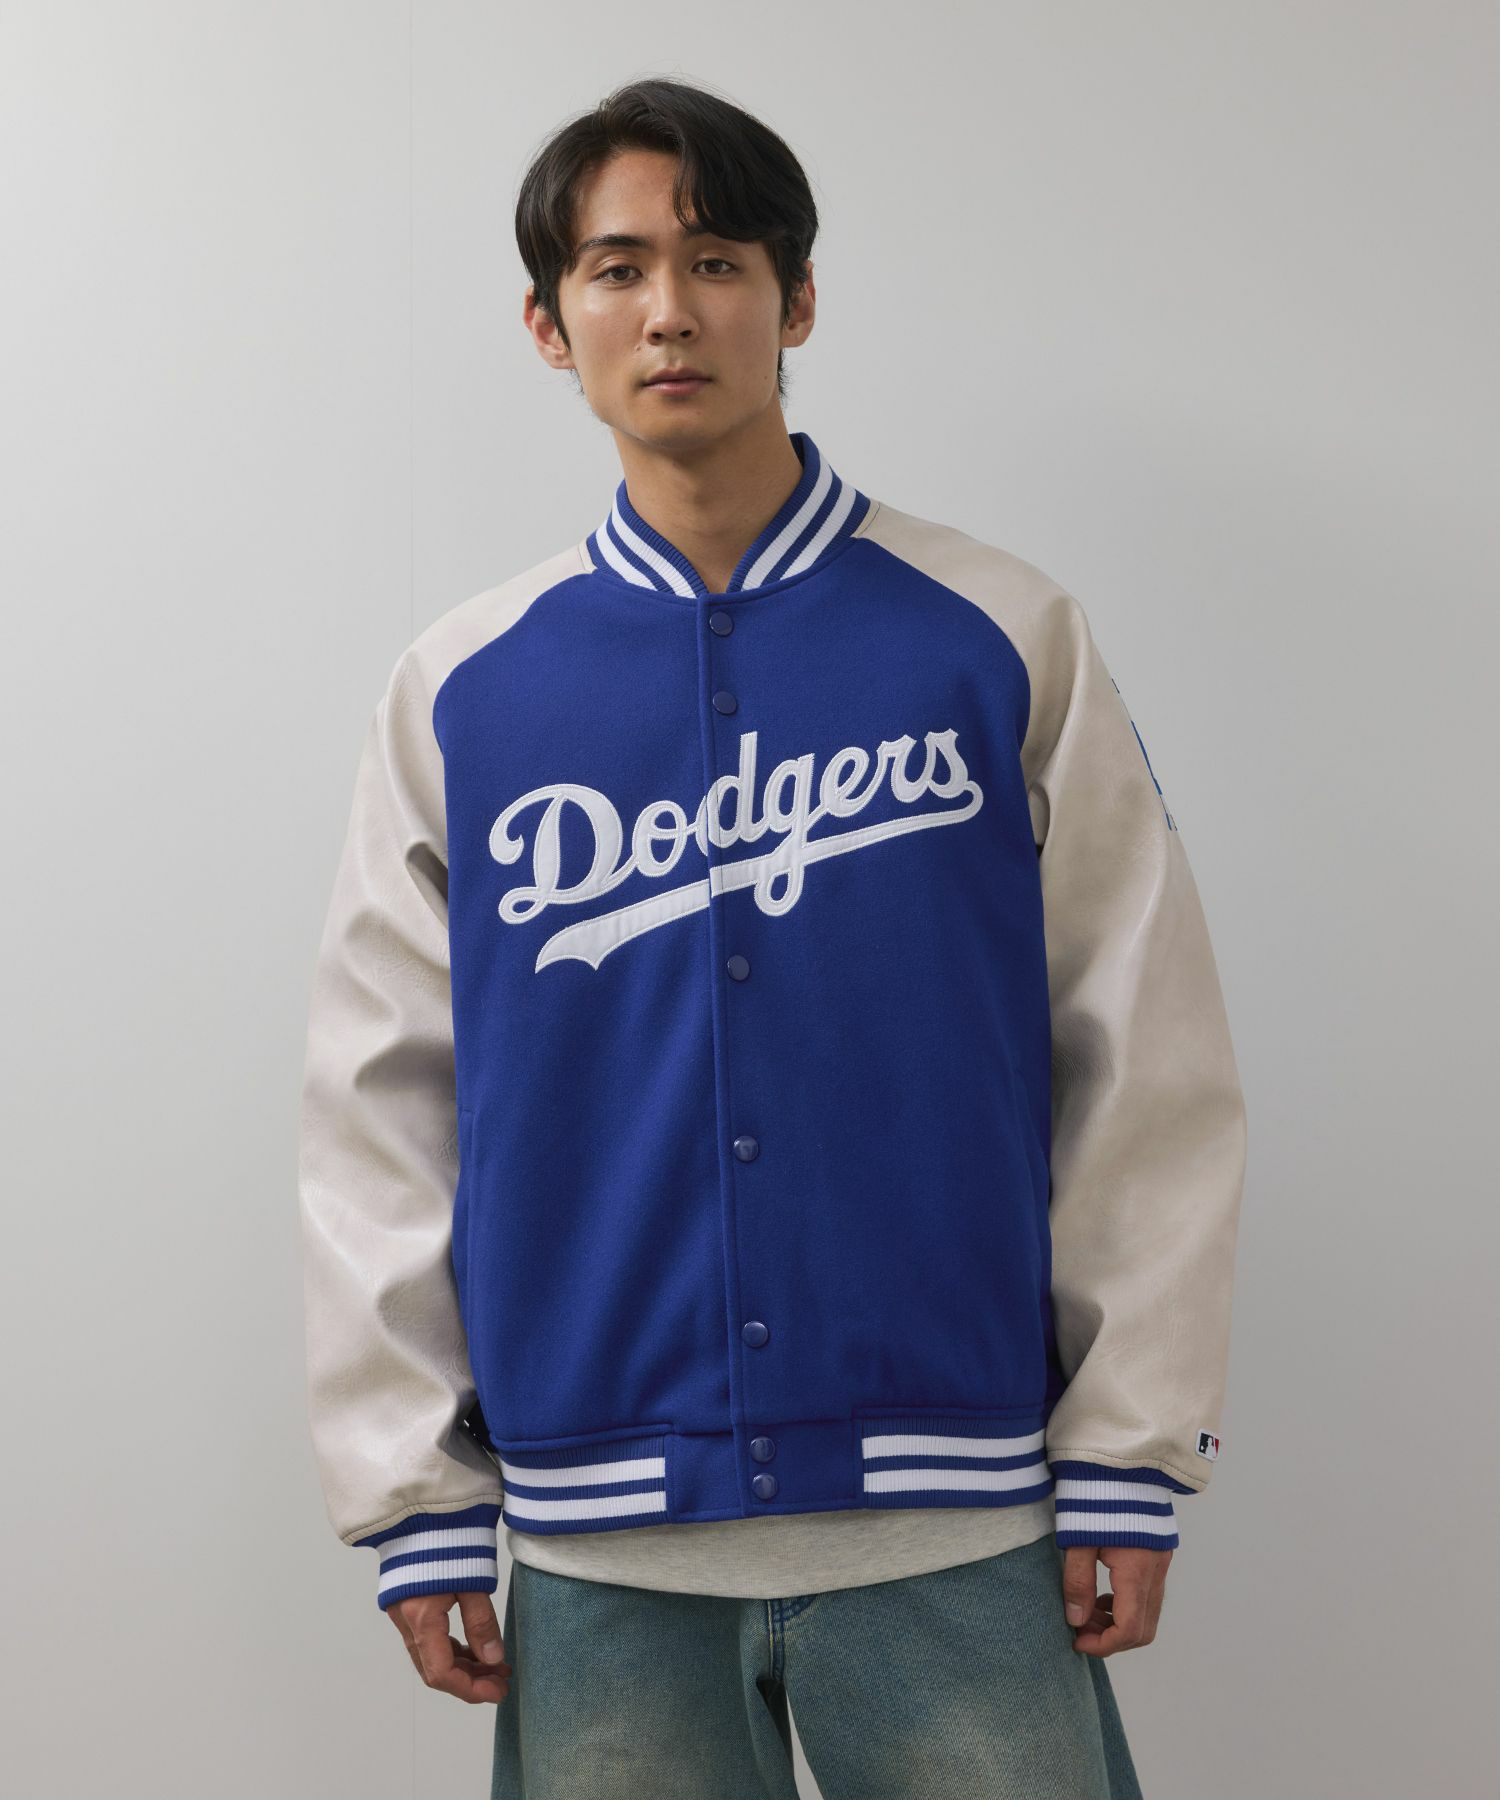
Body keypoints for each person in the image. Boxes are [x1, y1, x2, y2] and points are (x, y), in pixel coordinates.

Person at [296, 75, 1248, 1798]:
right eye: (617, 268)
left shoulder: (997, 633)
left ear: (797, 301)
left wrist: (1131, 1445)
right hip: (599, 1542)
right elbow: (382, 1105)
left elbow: (1143, 1047)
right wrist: (412, 1492)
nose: (670, 310)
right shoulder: (463, 688)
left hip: (962, 1524)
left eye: (719, 261)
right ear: (549, 323)